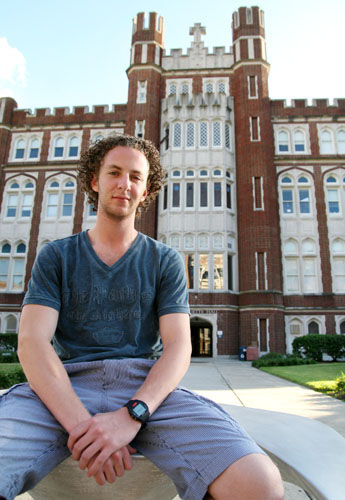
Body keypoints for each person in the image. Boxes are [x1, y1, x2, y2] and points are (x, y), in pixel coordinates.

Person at [0, 135, 284, 500]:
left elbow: (179, 346)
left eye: (135, 176)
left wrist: (131, 415)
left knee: (260, 484)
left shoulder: (164, 260)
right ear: (94, 180)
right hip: (62, 388)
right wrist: (85, 428)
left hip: (144, 389)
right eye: (114, 172)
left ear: (146, 188)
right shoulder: (57, 256)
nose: (124, 184)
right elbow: (32, 343)